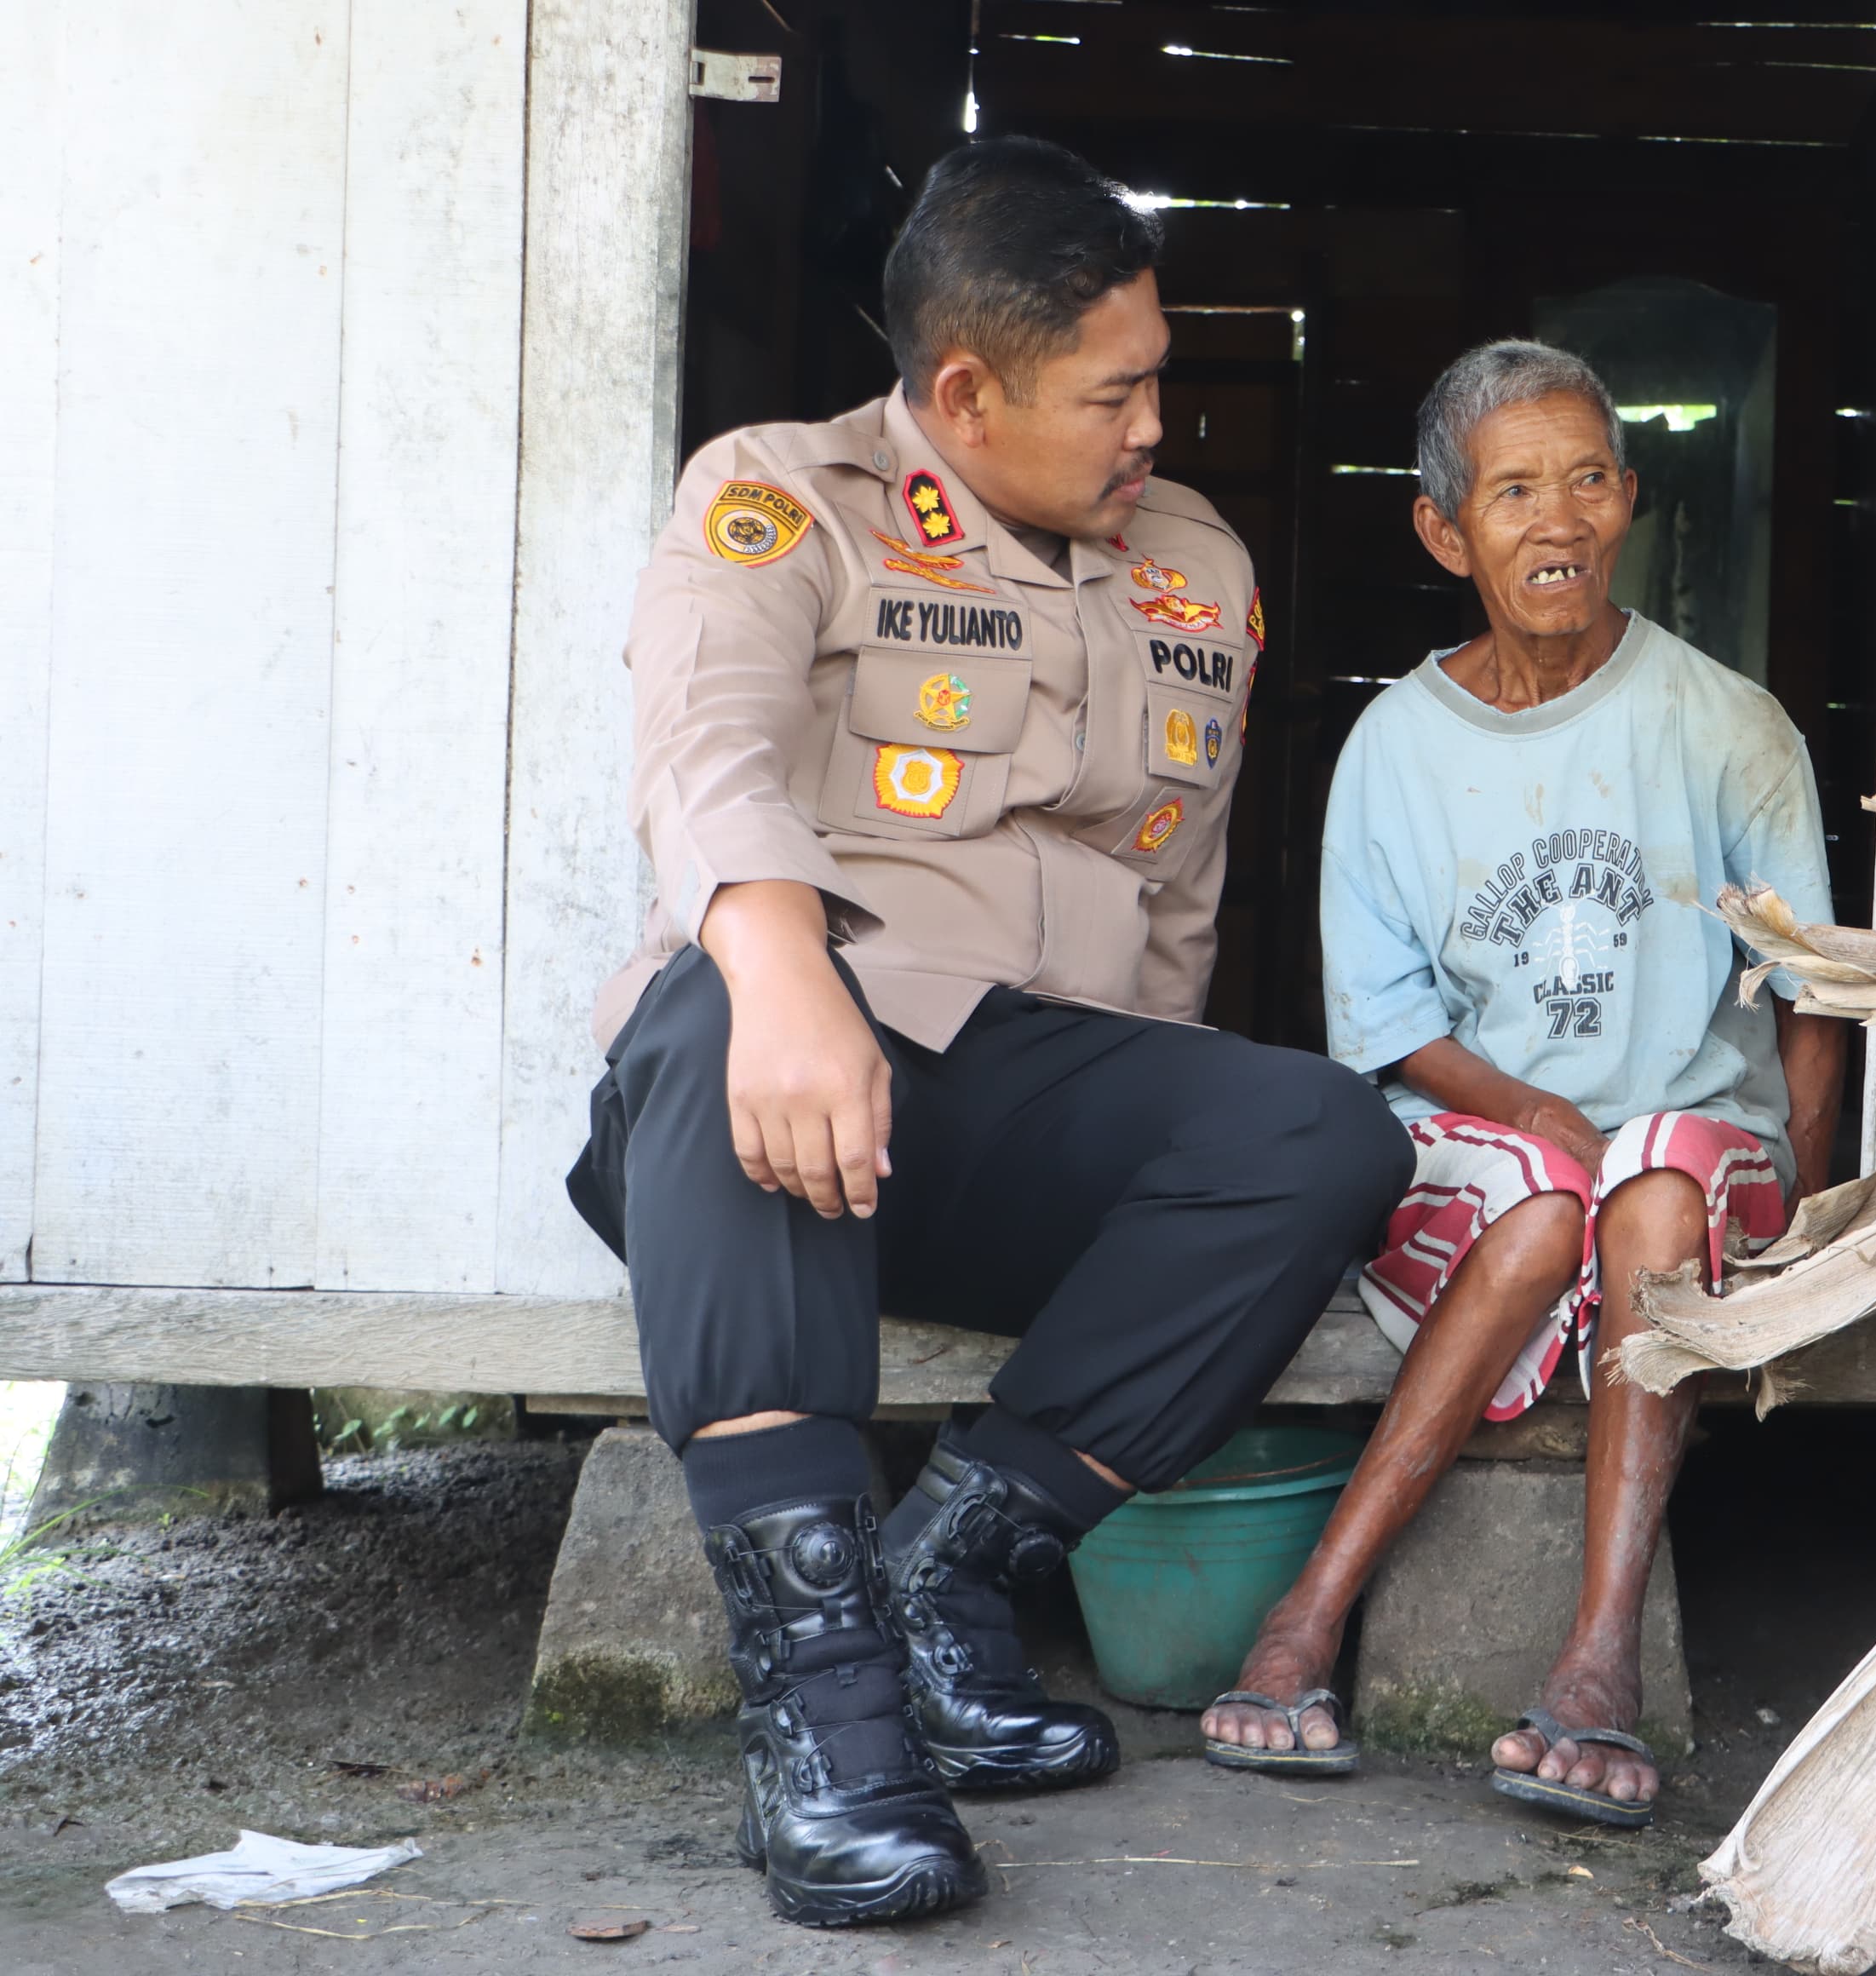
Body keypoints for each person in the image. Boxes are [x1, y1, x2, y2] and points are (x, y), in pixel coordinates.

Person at [565, 137, 1412, 1928]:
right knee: (726, 1020)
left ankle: (951, 1568)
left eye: (1156, 377)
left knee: (1320, 1132)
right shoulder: (781, 502)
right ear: (968, 389)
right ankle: (829, 1729)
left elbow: (1173, 911)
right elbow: (702, 755)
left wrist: (1142, 1141)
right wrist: (791, 975)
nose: (1152, 426)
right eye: (1117, 391)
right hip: (782, 1057)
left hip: (1015, 1101)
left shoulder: (1195, 565)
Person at [1198, 341, 1850, 1827]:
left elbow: (1817, 998)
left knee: (1656, 1179)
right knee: (1562, 1196)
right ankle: (1308, 1619)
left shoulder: (1727, 723)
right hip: (1494, 1155)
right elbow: (1388, 1025)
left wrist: (1811, 1201)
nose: (1555, 522)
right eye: (1512, 493)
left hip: (1691, 1170)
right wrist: (1531, 1108)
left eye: (1584, 482)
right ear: (1447, 531)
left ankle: (1599, 1664)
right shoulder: (1395, 748)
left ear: (1627, 499)